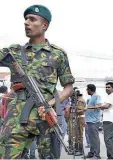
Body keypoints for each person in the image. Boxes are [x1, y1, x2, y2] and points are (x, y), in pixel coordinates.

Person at [0, 5, 75, 159]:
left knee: (49, 157)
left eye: (32, 19)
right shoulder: (13, 52)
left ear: (44, 25)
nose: (26, 22)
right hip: (17, 114)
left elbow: (68, 87)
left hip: (46, 115)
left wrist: (52, 103)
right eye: (26, 19)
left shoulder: (57, 54)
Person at [99, 82, 113, 159]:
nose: (107, 88)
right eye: (106, 87)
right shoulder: (109, 96)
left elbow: (106, 106)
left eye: (109, 87)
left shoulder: (112, 96)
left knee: (107, 140)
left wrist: (97, 106)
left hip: (109, 120)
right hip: (108, 120)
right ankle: (110, 156)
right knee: (110, 140)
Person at [65, 89, 86, 156]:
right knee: (76, 135)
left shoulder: (80, 100)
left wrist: (73, 108)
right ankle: (76, 149)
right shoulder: (76, 100)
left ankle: (80, 150)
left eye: (73, 96)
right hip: (76, 119)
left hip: (80, 119)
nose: (72, 98)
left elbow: (81, 111)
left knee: (79, 135)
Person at [84, 84, 102, 159]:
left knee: (95, 138)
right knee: (91, 138)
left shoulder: (97, 96)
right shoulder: (91, 98)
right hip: (89, 121)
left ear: (90, 90)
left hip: (94, 121)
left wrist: (87, 107)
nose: (86, 91)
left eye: (87, 89)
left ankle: (97, 154)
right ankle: (91, 153)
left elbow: (98, 106)